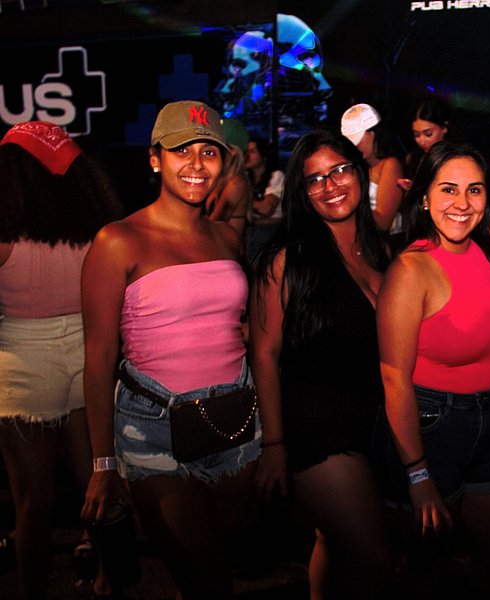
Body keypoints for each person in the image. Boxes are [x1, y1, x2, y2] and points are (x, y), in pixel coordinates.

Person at [80, 101, 260, 600]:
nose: (197, 165)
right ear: (155, 159)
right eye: (182, 151)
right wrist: (102, 464)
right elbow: (98, 358)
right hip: (154, 426)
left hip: (235, 421)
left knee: (211, 562)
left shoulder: (225, 237)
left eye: (209, 152)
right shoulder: (118, 240)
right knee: (210, 580)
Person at [375, 141, 490, 591]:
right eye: (448, 189)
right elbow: (393, 377)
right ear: (424, 197)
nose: (462, 203)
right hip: (429, 427)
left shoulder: (489, 256)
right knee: (429, 572)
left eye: (474, 190)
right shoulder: (411, 269)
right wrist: (418, 472)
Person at [250, 130, 392, 599]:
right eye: (314, 179)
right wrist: (274, 445)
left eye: (340, 170)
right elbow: (264, 354)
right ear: (302, 192)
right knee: (375, 559)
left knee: (333, 540)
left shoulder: (382, 251)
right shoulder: (285, 261)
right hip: (317, 429)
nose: (330, 186)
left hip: (376, 423)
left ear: (360, 173)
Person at [0, 122, 121, 599]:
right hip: (90, 358)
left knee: (32, 503)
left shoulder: (5, 232)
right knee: (99, 482)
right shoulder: (96, 227)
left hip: (23, 365)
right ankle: (109, 581)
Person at [341, 103, 405, 234]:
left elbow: (383, 222)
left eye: (357, 140)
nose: (355, 146)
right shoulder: (356, 166)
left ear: (373, 133)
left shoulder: (390, 165)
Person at [206, 118, 252, 239]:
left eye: (218, 146)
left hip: (227, 248)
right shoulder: (221, 178)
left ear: (233, 151)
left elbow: (215, 223)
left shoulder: (236, 183)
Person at [244, 137, 285, 261]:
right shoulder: (246, 178)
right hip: (250, 231)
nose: (247, 156)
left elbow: (266, 209)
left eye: (252, 152)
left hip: (271, 232)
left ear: (264, 155)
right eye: (246, 152)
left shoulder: (276, 176)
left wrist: (243, 201)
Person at [402, 97, 452, 186]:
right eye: (416, 135)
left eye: (428, 134)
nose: (422, 141)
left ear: (444, 128)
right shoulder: (414, 158)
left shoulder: (456, 157)